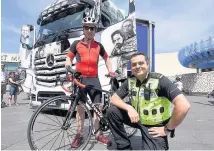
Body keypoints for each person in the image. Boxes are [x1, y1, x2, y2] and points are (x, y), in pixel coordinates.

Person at [106, 52, 191, 150]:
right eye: (134, 64)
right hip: (137, 118)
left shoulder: (160, 80)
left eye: (141, 63)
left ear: (147, 64)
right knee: (112, 112)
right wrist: (129, 108)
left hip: (154, 125)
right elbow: (114, 99)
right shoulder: (130, 81)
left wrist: (168, 128)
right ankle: (124, 146)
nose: (137, 66)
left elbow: (183, 105)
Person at [65, 15, 114, 147]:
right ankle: (79, 135)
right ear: (83, 29)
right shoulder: (76, 44)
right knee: (80, 109)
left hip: (94, 80)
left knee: (97, 108)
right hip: (80, 79)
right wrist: (69, 69)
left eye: (92, 28)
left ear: (95, 29)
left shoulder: (98, 46)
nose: (89, 30)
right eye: (87, 27)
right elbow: (68, 58)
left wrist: (110, 70)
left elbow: (107, 58)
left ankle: (98, 134)